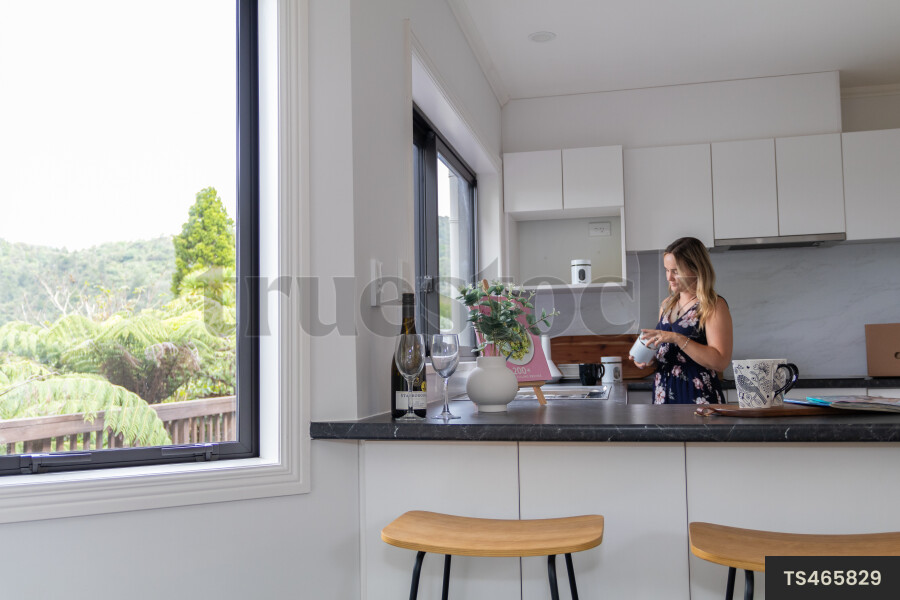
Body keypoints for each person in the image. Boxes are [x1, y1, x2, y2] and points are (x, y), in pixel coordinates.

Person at [631, 237, 733, 404]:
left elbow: (720, 362)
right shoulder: (667, 305)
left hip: (697, 396)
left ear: (696, 269)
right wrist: (649, 360)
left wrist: (678, 338)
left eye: (676, 271)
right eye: (666, 270)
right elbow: (669, 357)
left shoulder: (713, 305)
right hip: (663, 395)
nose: (669, 277)